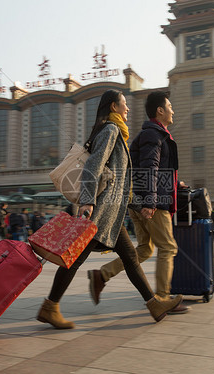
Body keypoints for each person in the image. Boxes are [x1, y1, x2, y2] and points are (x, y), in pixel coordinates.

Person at [37, 89, 182, 329]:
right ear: (113, 107)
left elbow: (120, 182)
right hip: (101, 214)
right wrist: (87, 200)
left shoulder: (116, 134)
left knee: (131, 258)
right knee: (76, 259)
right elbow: (93, 166)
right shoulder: (111, 130)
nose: (127, 109)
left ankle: (154, 304)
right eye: (124, 104)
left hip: (111, 214)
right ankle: (50, 306)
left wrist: (142, 205)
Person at [87, 91, 189, 314]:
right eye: (170, 106)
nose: (173, 110)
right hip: (151, 203)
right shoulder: (154, 134)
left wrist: (174, 183)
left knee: (144, 249)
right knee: (168, 247)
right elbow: (149, 167)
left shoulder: (150, 134)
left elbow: (151, 168)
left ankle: (102, 274)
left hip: (139, 200)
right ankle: (162, 297)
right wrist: (151, 201)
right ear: (160, 110)